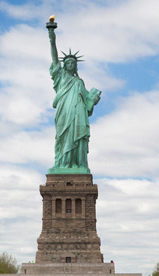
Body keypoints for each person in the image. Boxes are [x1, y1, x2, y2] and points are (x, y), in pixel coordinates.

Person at [47, 23, 101, 173]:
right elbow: (54, 57)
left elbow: (88, 100)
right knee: (63, 137)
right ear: (64, 66)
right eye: (68, 62)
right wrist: (52, 37)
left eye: (73, 63)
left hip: (78, 115)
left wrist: (94, 98)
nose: (70, 64)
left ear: (76, 66)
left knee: (76, 136)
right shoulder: (61, 76)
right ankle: (62, 163)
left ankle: (77, 164)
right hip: (64, 112)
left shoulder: (79, 82)